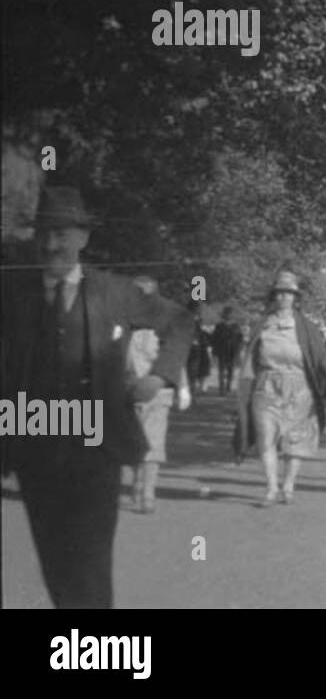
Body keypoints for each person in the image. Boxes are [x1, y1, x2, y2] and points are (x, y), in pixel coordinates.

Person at [1, 186, 192, 607]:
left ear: (83, 237)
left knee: (89, 563)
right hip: (35, 449)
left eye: (62, 234)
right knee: (56, 565)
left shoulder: (114, 291)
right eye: (45, 234)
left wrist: (160, 376)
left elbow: (180, 321)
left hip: (97, 449)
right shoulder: (13, 292)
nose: (52, 244)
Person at [236, 271, 326, 507]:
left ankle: (288, 485)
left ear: (295, 298)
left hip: (299, 387)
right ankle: (271, 488)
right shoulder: (262, 324)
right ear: (274, 296)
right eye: (280, 293)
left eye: (288, 293)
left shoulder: (307, 327)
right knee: (265, 437)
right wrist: (242, 386)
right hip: (266, 385)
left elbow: (322, 355)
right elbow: (248, 356)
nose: (283, 297)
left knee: (295, 441)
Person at [124, 276, 190, 515]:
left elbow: (175, 357)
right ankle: (136, 482)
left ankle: (148, 493)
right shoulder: (120, 322)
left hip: (157, 393)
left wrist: (183, 387)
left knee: (153, 443)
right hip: (125, 392)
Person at [210, 306, 243, 396]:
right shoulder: (219, 326)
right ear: (224, 315)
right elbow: (214, 339)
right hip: (222, 351)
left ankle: (228, 386)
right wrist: (214, 352)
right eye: (227, 314)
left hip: (232, 351)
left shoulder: (236, 326)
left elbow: (240, 339)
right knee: (221, 370)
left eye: (231, 314)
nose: (229, 315)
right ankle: (222, 389)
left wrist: (238, 351)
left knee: (231, 370)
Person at [186, 302, 213, 395]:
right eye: (197, 310)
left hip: (197, 349)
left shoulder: (197, 322)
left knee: (194, 371)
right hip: (191, 349)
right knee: (191, 371)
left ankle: (192, 391)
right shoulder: (190, 321)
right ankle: (191, 391)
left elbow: (201, 335)